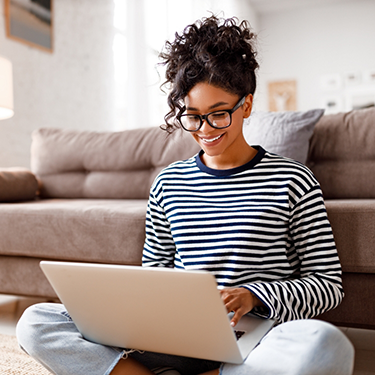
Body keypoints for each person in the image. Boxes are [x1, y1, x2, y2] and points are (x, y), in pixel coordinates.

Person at [16, 15, 354, 375]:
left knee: (324, 344)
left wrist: (255, 295)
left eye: (219, 114)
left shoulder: (293, 180)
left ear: (247, 105)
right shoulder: (168, 183)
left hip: (256, 338)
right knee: (36, 321)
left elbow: (327, 285)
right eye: (192, 117)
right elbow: (154, 275)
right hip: (174, 337)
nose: (205, 130)